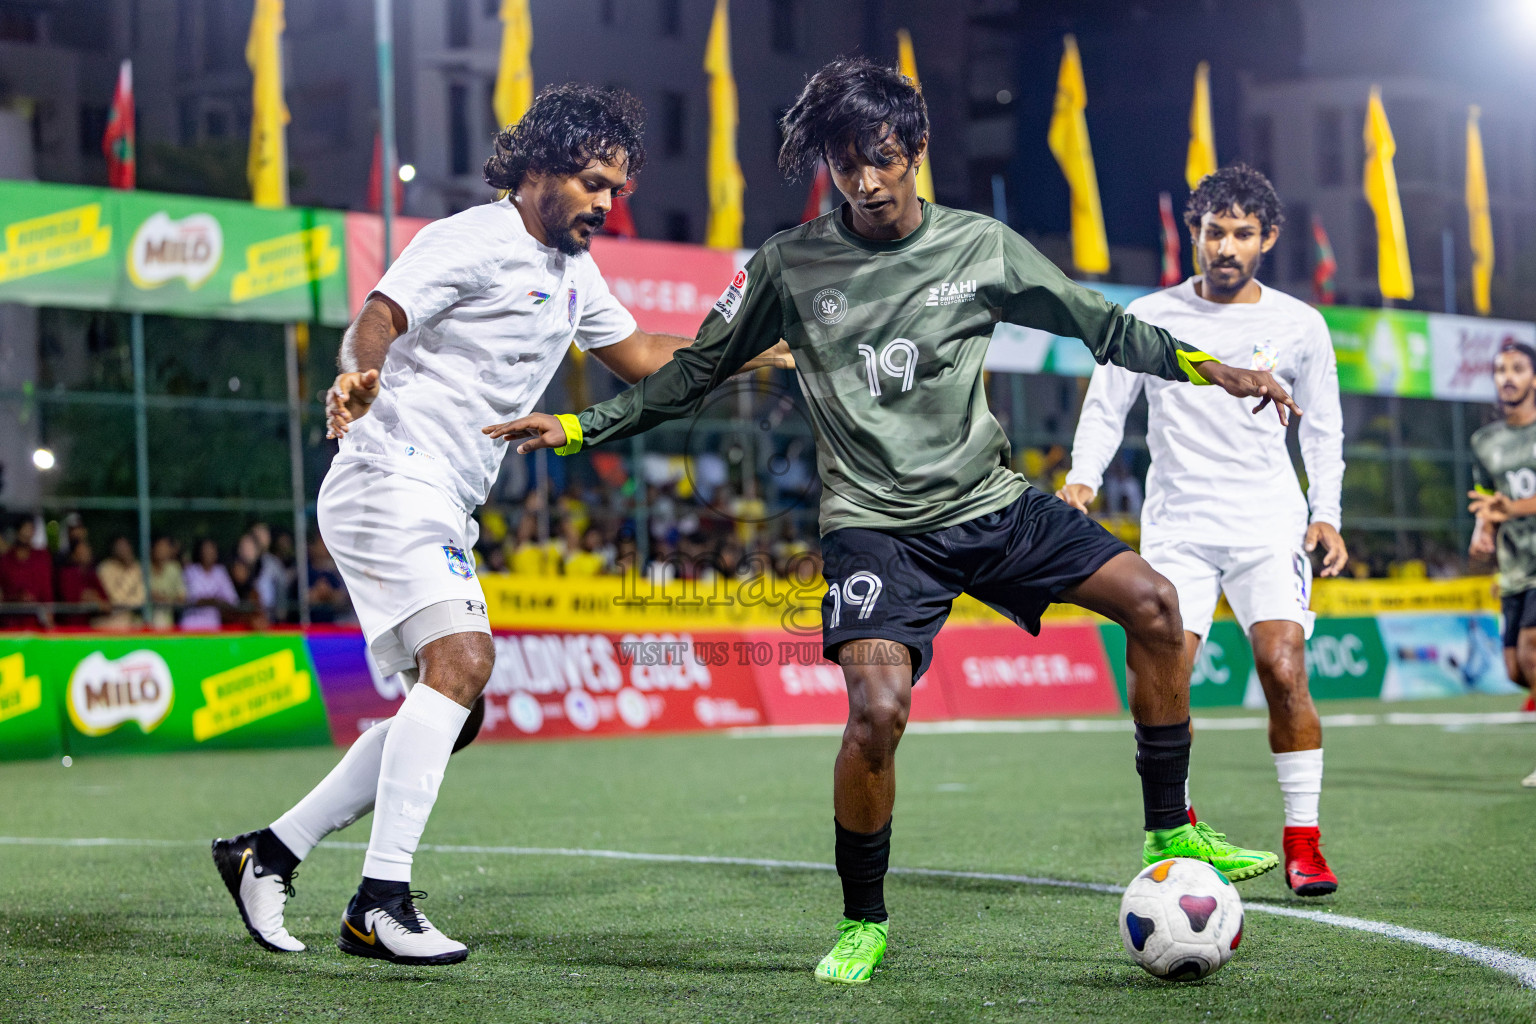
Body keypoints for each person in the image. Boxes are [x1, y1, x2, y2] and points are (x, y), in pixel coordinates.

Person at [493, 59, 1300, 985]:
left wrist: (1219, 368)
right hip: (875, 528)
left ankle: (1170, 824)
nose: (865, 182)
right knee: (877, 713)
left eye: (880, 159)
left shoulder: (982, 248)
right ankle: (863, 920)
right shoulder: (788, 263)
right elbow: (693, 372)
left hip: (991, 505)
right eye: (844, 163)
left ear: (915, 150)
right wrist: (581, 422)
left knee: (1155, 606)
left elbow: (1101, 325)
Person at [210, 83, 789, 965]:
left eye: (616, 190)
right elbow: (379, 315)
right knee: (464, 663)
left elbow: (638, 360)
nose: (605, 203)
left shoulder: (574, 269)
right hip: (387, 473)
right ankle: (380, 903)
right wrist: (358, 376)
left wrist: (744, 348)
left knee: (453, 706)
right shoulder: (470, 240)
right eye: (594, 183)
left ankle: (269, 853)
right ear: (538, 170)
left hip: (440, 495)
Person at [1058, 165, 1347, 898]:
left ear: (1268, 239)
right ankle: (1178, 821)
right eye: (1214, 231)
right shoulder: (1150, 314)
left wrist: (1326, 513)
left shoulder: (1300, 325)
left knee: (1283, 669)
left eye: (1242, 234)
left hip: (1267, 521)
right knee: (1163, 676)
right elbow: (1105, 406)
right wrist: (1083, 478)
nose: (1226, 246)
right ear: (1194, 232)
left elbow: (1324, 429)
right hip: (1179, 525)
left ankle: (1304, 843)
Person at [1467, 340, 1536, 785]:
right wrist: (1483, 531)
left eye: (1517, 368)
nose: (1507, 377)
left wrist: (1510, 508)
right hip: (1514, 569)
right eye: (1500, 369)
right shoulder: (1484, 442)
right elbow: (1486, 503)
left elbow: (1506, 504)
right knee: (1515, 668)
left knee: (1532, 651)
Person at [0, 517, 54, 629]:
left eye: (30, 530)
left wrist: (49, 615)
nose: (27, 534)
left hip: (38, 622)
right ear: (17, 532)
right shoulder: (5, 561)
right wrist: (17, 599)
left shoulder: (42, 557)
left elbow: (46, 590)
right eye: (24, 530)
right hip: (11, 624)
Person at [181, 539, 239, 630]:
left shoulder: (220, 572)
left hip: (213, 626)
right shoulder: (191, 571)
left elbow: (232, 600)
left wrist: (212, 601)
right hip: (191, 626)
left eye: (211, 550)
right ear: (200, 552)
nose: (208, 553)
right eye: (205, 550)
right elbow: (194, 599)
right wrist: (216, 600)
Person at [97, 535, 146, 628]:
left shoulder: (136, 567)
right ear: (113, 549)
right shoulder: (105, 568)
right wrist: (129, 572)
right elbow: (113, 597)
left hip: (134, 616)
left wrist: (130, 568)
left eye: (125, 546)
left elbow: (142, 597)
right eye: (120, 546)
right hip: (112, 616)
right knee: (120, 622)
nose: (123, 549)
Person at [147, 536, 185, 629]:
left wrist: (164, 600)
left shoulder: (174, 568)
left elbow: (181, 597)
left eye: (165, 547)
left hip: (167, 622)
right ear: (152, 549)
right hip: (146, 622)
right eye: (159, 547)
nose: (162, 550)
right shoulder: (143, 568)